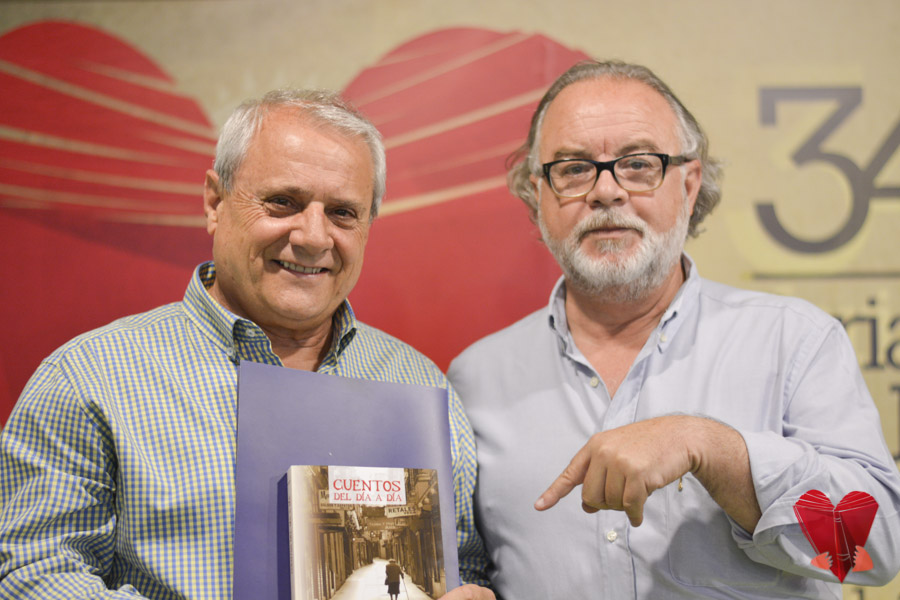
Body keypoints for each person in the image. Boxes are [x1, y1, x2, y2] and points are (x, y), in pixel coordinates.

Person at [0, 90, 493, 600]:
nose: (313, 237)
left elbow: (464, 564)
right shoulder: (88, 378)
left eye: (343, 212)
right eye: (283, 202)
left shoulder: (419, 383)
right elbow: (32, 574)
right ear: (215, 202)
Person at [447, 60, 900, 599]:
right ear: (537, 196)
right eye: (573, 169)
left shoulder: (794, 341)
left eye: (639, 164)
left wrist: (712, 447)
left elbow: (872, 548)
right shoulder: (475, 378)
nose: (606, 191)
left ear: (689, 185)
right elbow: (466, 563)